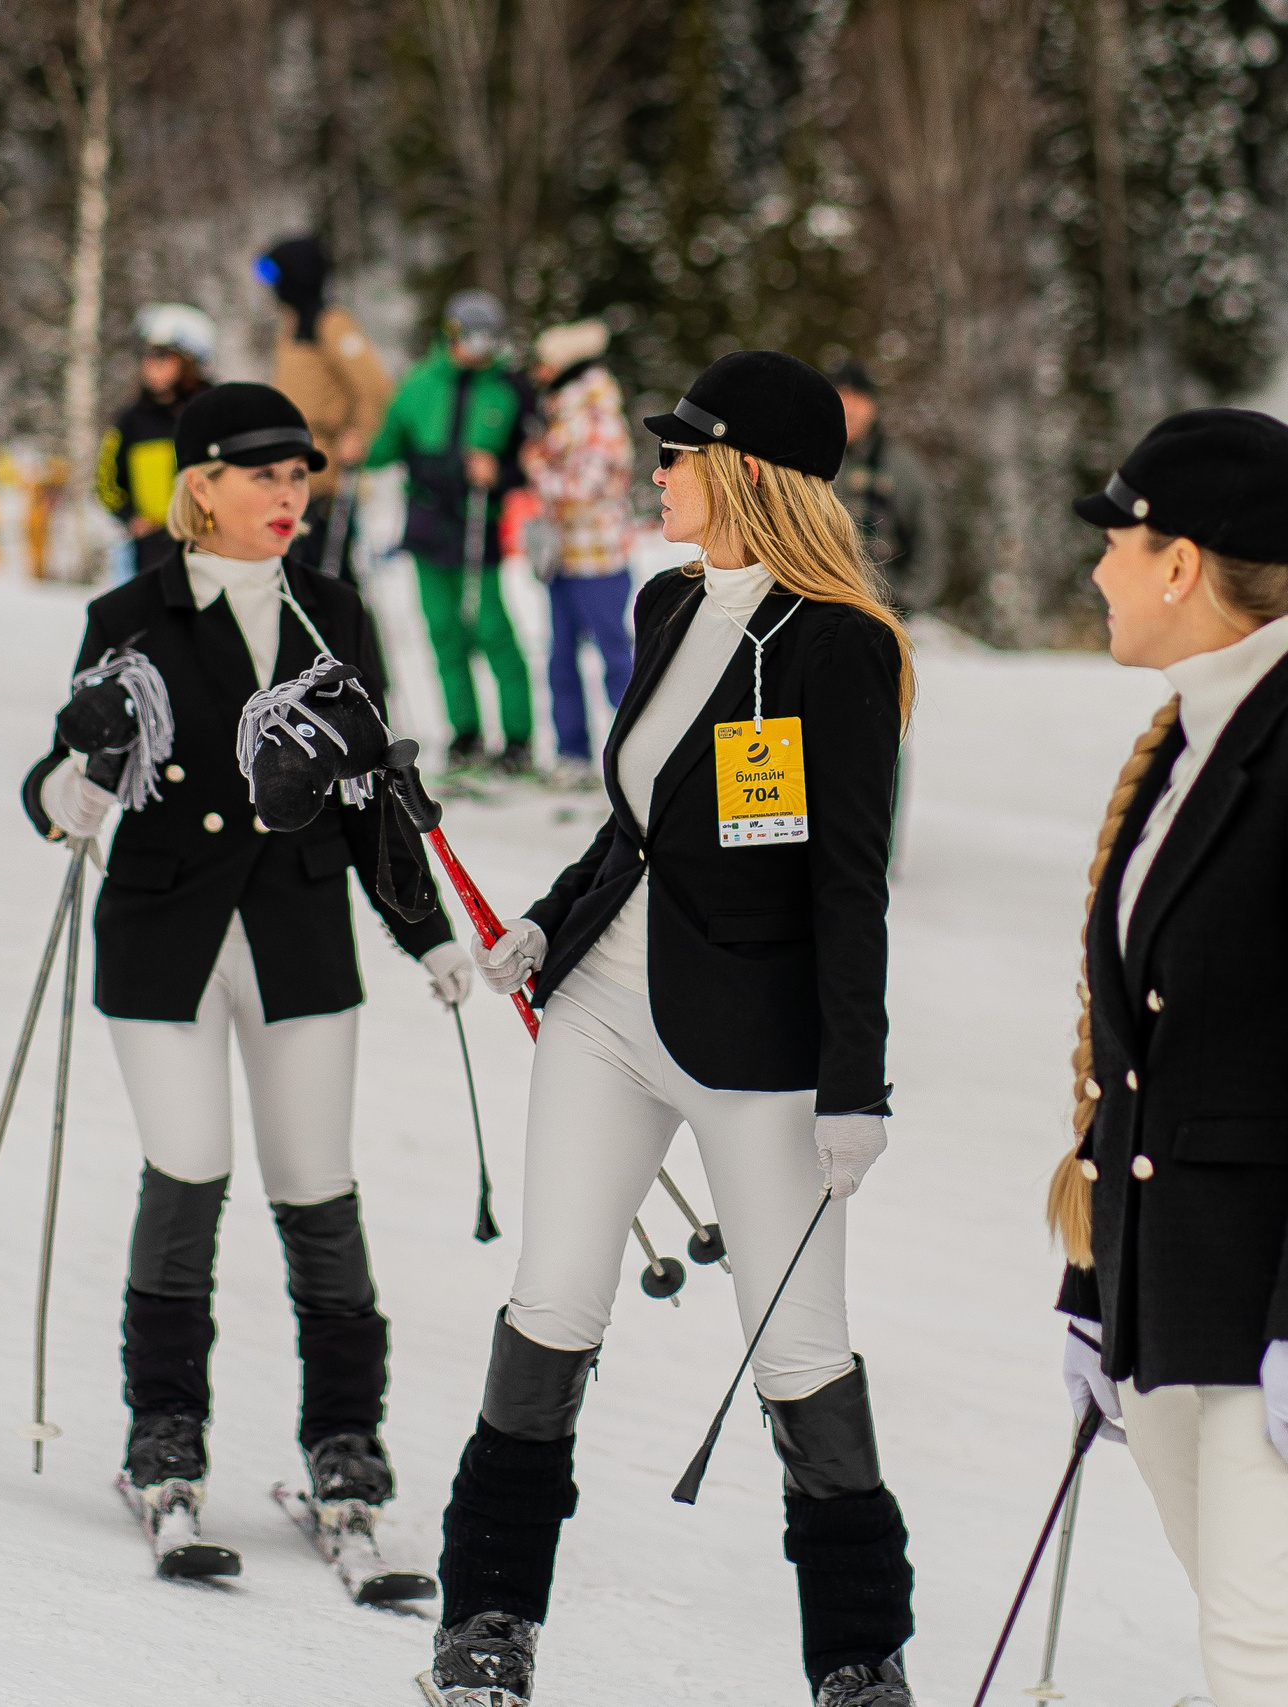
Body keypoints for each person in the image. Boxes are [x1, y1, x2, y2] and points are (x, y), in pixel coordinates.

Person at [425, 352, 918, 1707]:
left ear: (748, 472)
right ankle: (487, 1621)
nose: (657, 470)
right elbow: (639, 823)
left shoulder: (842, 646)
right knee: (552, 1302)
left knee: (801, 1347)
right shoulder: (666, 603)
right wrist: (546, 919)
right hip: (601, 1012)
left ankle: (859, 1654)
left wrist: (852, 1082)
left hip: (757, 1042)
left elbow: (849, 881)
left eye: (680, 450)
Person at [19, 382, 475, 1553]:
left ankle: (344, 1444)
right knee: (190, 1169)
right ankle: (162, 1434)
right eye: (262, 475)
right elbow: (61, 780)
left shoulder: (334, 613)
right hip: (163, 939)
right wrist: (79, 782)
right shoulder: (131, 610)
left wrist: (426, 930)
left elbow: (370, 794)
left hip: (298, 936)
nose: (289, 496)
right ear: (200, 485)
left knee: (315, 1183)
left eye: (301, 475)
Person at [1051, 408, 1288, 1707]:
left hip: (1283, 1320)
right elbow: (1135, 1052)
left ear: (1181, 563)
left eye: (1118, 541)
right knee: (1273, 1646)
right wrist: (1092, 1277)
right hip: (1171, 1301)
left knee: (1270, 1663)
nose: (1097, 569)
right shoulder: (1174, 749)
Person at [366, 290, 536, 774]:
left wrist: (498, 472)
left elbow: (529, 461)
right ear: (452, 334)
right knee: (442, 630)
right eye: (469, 337)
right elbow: (385, 446)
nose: (477, 348)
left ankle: (518, 736)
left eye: (488, 339)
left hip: (478, 521)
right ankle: (465, 732)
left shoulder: (509, 389)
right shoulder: (419, 383)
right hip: (427, 524)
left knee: (491, 628)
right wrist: (358, 447)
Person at [519, 319, 635, 790]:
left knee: (615, 657)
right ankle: (573, 753)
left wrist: (536, 469)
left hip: (601, 558)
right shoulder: (561, 411)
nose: (539, 372)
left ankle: (636, 751)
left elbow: (585, 487)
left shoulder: (597, 413)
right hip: (564, 557)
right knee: (560, 657)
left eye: (547, 363)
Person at [257, 235, 394, 582]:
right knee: (301, 571)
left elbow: (375, 386)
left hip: (327, 472)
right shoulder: (291, 326)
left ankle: (354, 637)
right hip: (292, 469)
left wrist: (359, 435)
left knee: (332, 574)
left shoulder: (331, 323)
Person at [95, 304, 215, 580]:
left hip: (206, 545)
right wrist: (129, 517)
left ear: (189, 362)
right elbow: (106, 480)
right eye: (147, 356)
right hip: (150, 547)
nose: (152, 366)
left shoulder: (212, 413)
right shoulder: (131, 422)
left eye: (164, 357)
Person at [828, 362, 944, 613]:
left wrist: (906, 602)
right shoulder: (803, 460)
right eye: (840, 399)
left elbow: (929, 543)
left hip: (880, 610)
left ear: (873, 407)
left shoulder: (901, 468)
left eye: (857, 401)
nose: (848, 409)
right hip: (813, 602)